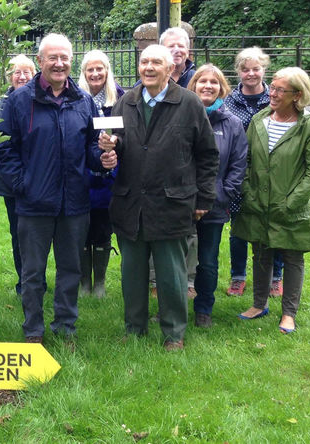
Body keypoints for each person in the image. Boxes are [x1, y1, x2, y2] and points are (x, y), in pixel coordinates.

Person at [0, 33, 117, 344]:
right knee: (33, 274)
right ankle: (33, 330)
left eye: (65, 58)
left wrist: (102, 157)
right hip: (34, 204)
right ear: (41, 61)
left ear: (70, 61)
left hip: (74, 203)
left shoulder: (83, 101)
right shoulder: (20, 101)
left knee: (70, 271)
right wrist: (23, 185)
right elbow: (5, 149)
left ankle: (65, 327)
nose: (59, 63)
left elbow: (90, 146)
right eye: (53, 58)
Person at [100, 44, 218, 351]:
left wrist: (204, 198)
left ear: (171, 69)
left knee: (171, 275)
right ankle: (134, 327)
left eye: (156, 62)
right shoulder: (127, 101)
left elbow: (207, 155)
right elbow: (119, 142)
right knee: (132, 273)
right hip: (131, 204)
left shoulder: (190, 103)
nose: (148, 67)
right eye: (144, 62)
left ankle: (174, 333)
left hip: (172, 203)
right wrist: (111, 146)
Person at [233, 67, 310, 334]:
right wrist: (248, 192)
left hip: (290, 207)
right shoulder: (260, 119)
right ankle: (259, 304)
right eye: (271, 87)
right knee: (261, 252)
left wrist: (291, 202)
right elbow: (245, 160)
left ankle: (289, 314)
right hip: (257, 203)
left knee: (293, 257)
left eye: (279, 89)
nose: (271, 93)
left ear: (297, 95)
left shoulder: (308, 128)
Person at [187, 64, 248, 328]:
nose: (208, 86)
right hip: (181, 204)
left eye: (214, 82)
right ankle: (173, 306)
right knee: (177, 260)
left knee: (208, 262)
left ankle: (203, 309)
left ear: (221, 88)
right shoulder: (181, 117)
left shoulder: (232, 124)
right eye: (202, 81)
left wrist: (219, 196)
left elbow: (238, 166)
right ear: (194, 86)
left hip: (214, 205)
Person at [224, 47, 284, 298]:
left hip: (271, 172)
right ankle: (238, 277)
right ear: (238, 71)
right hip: (239, 171)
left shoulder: (275, 98)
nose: (251, 74)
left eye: (256, 68)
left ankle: (275, 276)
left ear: (264, 70)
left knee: (273, 225)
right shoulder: (228, 101)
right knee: (239, 227)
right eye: (245, 69)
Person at [146, 27, 199, 299]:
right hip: (149, 188)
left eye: (181, 45)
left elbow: (205, 150)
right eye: (171, 46)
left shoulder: (195, 85)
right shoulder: (138, 93)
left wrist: (204, 194)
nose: (176, 50)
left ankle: (187, 288)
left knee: (183, 244)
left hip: (182, 185)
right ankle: (157, 286)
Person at [77, 49, 125, 298]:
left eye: (100, 68)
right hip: (83, 175)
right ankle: (84, 282)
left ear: (107, 71)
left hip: (111, 177)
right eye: (90, 69)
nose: (95, 73)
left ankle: (100, 283)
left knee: (103, 229)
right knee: (83, 230)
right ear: (84, 73)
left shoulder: (121, 99)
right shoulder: (76, 99)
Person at [0, 54, 37, 295]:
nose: (22, 76)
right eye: (16, 72)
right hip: (12, 185)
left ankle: (40, 281)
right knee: (19, 234)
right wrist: (15, 177)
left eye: (26, 72)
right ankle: (24, 284)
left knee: (40, 235)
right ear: (10, 77)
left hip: (40, 181)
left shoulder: (40, 98)